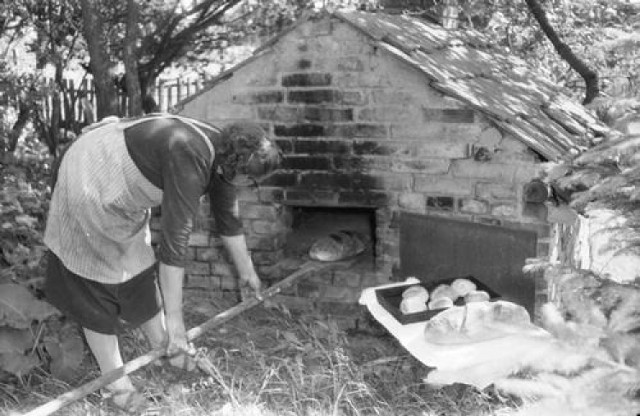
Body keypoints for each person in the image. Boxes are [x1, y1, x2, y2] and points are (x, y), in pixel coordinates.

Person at [43, 114, 281, 412]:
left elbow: (228, 219)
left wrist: (248, 274)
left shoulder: (226, 159)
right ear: (241, 168)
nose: (251, 186)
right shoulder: (191, 155)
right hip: (90, 175)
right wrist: (179, 324)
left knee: (138, 266)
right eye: (253, 181)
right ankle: (116, 385)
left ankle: (165, 347)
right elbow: (175, 244)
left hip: (122, 193)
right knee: (95, 284)